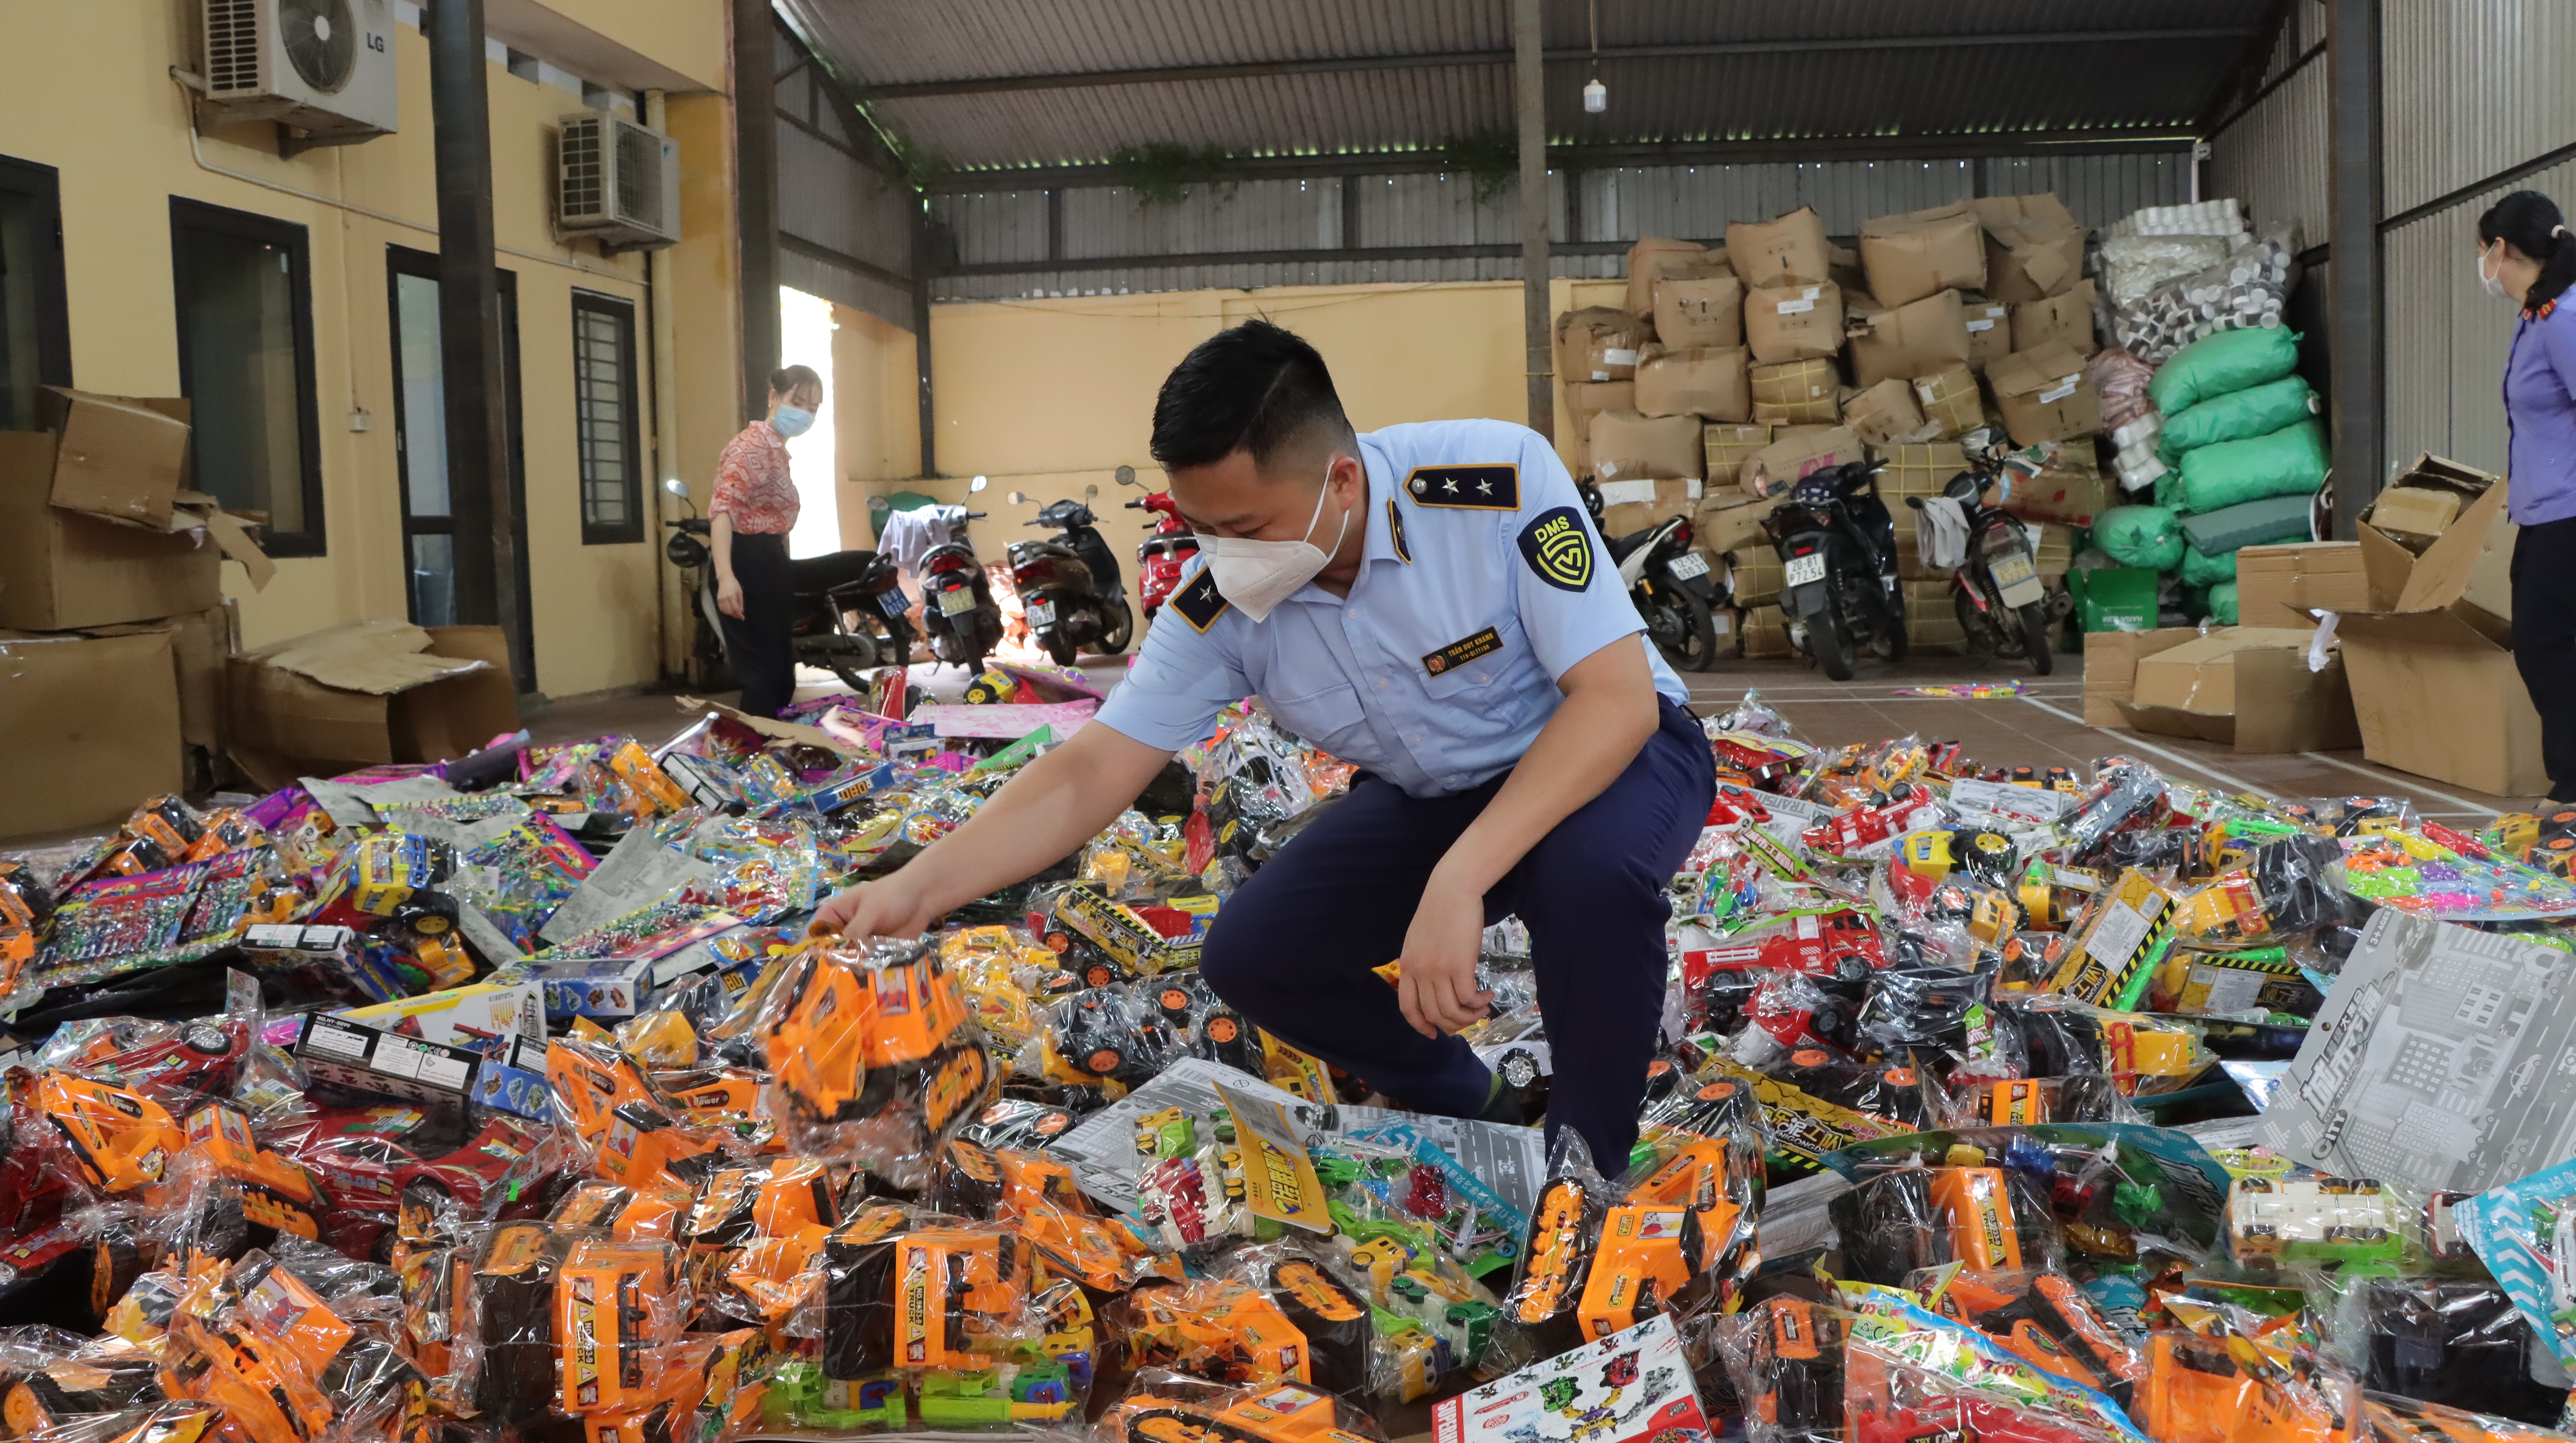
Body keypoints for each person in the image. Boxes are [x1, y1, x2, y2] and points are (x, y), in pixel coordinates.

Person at [816, 320, 1715, 1169]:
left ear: (1343, 482)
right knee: (1252, 952)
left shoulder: (1493, 480)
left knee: (1584, 878)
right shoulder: (1221, 606)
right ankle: (1463, 1096)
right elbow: (1089, 772)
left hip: (1610, 760)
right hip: (1433, 794)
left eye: (1246, 530)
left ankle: (1585, 1174)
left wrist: (1461, 875)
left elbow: (1613, 700)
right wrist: (913, 887)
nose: (1223, 556)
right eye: (1203, 528)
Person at [2480, 192, 2576, 800]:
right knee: (2542, 645)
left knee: (2547, 646)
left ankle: (2571, 785)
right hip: (2543, 513)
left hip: (2570, 514)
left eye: (2483, 251)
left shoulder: (2564, 318)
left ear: (2501, 249)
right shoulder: (2538, 316)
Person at [711, 365, 823, 718]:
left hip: (769, 560)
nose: (805, 413)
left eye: (814, 407)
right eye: (798, 401)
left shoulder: (775, 449)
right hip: (744, 559)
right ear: (774, 397)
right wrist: (726, 576)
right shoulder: (750, 447)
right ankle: (752, 759)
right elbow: (722, 512)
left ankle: (774, 751)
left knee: (780, 673)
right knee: (761, 673)